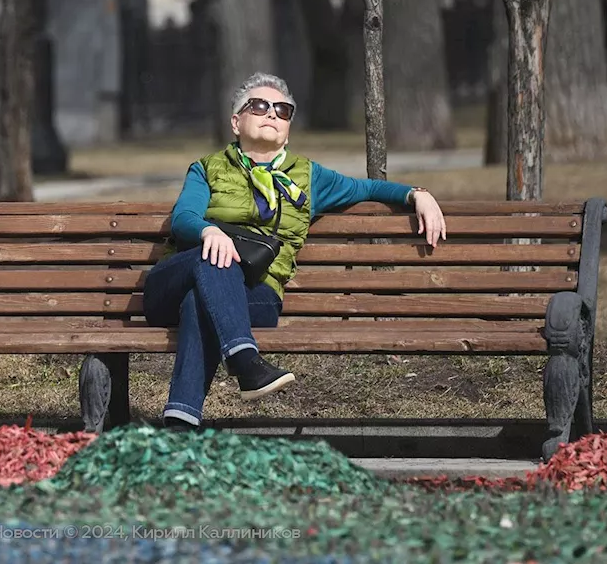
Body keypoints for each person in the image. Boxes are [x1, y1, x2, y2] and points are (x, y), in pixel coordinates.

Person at [145, 72, 449, 432]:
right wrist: (209, 231)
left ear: (288, 128)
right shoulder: (208, 168)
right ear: (236, 121)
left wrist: (418, 195)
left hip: (255, 296)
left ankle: (180, 424)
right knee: (215, 258)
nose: (271, 114)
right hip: (174, 283)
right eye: (258, 106)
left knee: (203, 299)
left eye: (282, 110)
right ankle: (245, 362)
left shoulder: (308, 176)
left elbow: (368, 188)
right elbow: (183, 218)